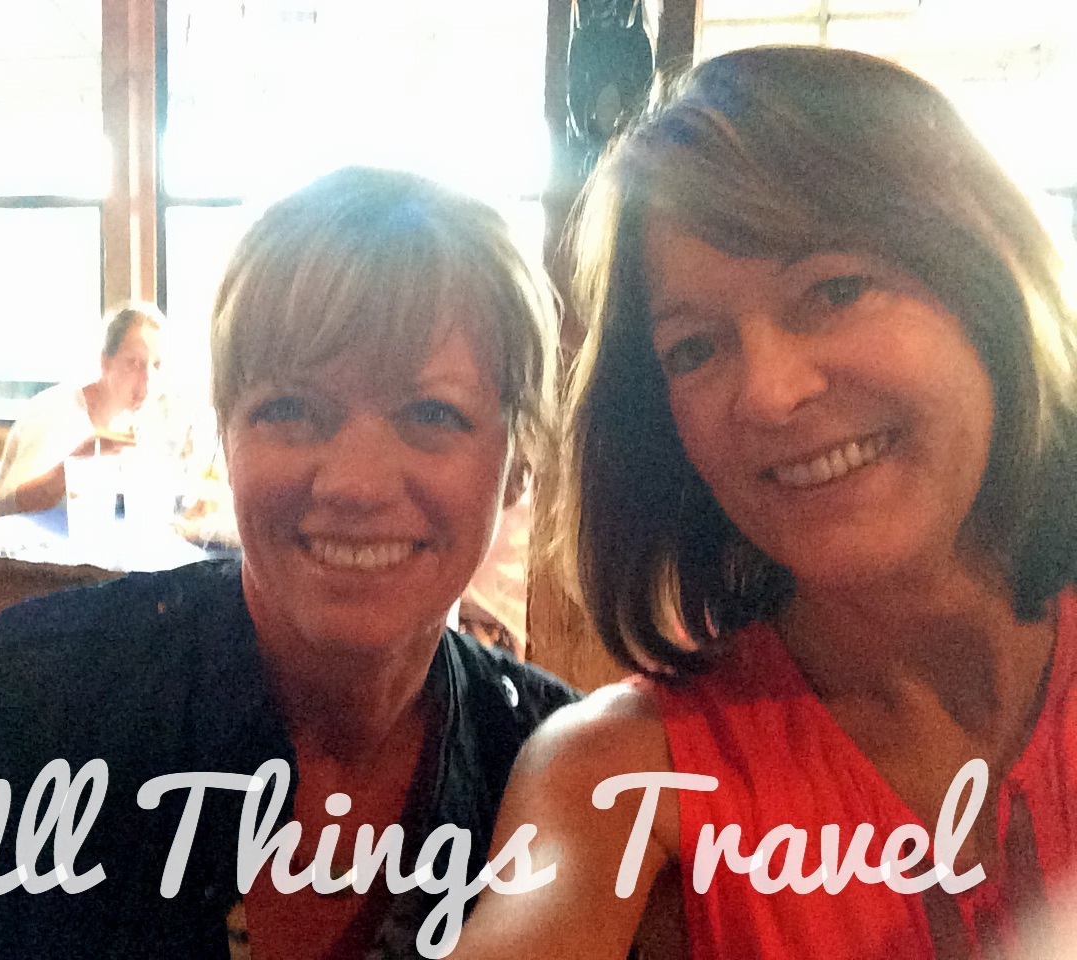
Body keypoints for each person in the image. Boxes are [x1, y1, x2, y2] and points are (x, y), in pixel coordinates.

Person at [0, 167, 578, 959]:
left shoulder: (562, 775)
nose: (355, 483)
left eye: (433, 413)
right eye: (290, 408)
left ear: (520, 461)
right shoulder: (24, 705)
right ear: (226, 440)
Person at [451, 46, 1077, 960]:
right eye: (696, 348)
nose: (770, 394)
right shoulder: (621, 776)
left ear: (989, 283)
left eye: (835, 290)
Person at [0, 303, 166, 515]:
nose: (147, 380)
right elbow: (6, 504)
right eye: (133, 363)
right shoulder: (55, 412)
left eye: (155, 365)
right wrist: (78, 460)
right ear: (105, 363)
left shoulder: (133, 424)